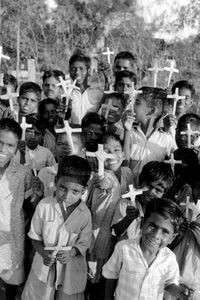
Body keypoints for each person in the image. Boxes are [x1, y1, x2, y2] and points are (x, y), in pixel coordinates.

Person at [22, 155, 92, 300]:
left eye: (75, 192)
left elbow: (84, 243)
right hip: (44, 265)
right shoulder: (44, 206)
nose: (67, 196)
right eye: (62, 188)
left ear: (84, 190)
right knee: (39, 295)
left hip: (70, 269)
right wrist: (43, 253)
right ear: (55, 182)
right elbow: (35, 237)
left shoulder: (85, 214)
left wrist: (71, 253)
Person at [103, 198, 193, 300]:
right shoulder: (124, 248)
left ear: (172, 238)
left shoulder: (169, 259)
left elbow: (168, 283)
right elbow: (111, 277)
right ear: (142, 223)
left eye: (165, 232)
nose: (156, 235)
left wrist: (179, 292)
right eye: (152, 226)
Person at [85, 134, 127, 300]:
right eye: (106, 151)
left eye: (116, 150)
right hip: (97, 237)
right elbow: (102, 181)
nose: (111, 154)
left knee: (108, 278)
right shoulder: (101, 176)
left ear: (123, 154)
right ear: (98, 155)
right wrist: (101, 173)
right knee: (94, 280)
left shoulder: (126, 173)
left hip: (115, 237)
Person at [0, 119, 33, 300]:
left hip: (11, 236)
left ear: (16, 147)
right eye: (0, 142)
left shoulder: (22, 172)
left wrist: (37, 194)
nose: (3, 150)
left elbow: (29, 203)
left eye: (10, 145)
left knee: (11, 282)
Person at [123, 87, 176, 185]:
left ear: (151, 111)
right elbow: (124, 163)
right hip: (129, 188)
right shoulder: (130, 133)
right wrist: (127, 130)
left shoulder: (166, 139)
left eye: (137, 103)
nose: (132, 106)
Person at [112, 161, 173, 241]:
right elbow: (115, 232)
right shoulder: (126, 203)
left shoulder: (160, 214)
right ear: (140, 181)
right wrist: (128, 219)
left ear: (163, 194)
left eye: (158, 190)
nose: (151, 192)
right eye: (148, 185)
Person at [38, 131, 84, 198]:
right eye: (60, 144)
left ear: (82, 150)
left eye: (71, 144)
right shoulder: (45, 173)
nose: (65, 149)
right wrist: (38, 196)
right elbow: (36, 206)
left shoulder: (89, 177)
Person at [69, 53, 103, 125]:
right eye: (73, 69)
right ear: (69, 71)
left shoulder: (98, 94)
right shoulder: (66, 93)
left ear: (88, 70)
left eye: (81, 69)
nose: (77, 73)